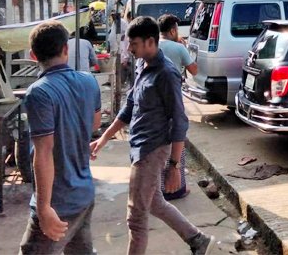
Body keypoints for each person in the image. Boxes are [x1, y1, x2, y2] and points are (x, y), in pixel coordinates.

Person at [90, 16, 213, 255]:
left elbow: (179, 120)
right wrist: (104, 138)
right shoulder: (141, 65)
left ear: (150, 42)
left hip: (153, 149)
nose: (129, 49)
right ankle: (197, 239)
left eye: (133, 44)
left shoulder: (167, 74)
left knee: (136, 216)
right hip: (139, 146)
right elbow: (129, 107)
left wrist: (174, 165)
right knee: (155, 202)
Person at [19, 21, 102, 254]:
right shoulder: (88, 81)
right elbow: (95, 124)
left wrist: (44, 208)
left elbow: (43, 153)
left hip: (59, 202)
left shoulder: (39, 92)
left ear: (33, 55)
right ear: (66, 49)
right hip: (83, 193)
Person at [157, 14, 197, 200]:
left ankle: (159, 188)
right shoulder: (178, 47)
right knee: (177, 140)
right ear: (173, 30)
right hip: (174, 97)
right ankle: (177, 188)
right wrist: (185, 49)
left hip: (155, 100)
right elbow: (194, 70)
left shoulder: (152, 45)